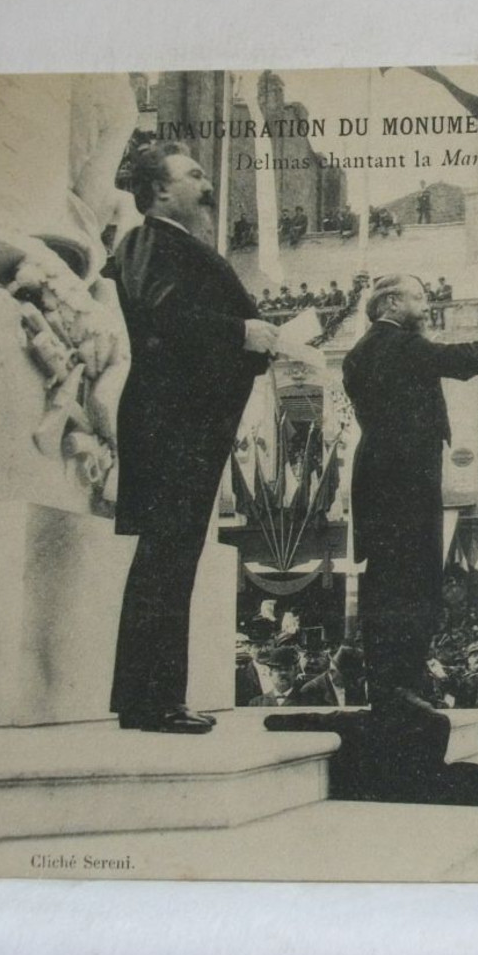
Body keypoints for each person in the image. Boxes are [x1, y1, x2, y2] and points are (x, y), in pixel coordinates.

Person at [103, 142, 276, 734]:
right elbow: (166, 319)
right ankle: (150, 702)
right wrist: (244, 333)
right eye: (195, 175)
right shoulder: (151, 241)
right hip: (167, 423)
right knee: (165, 559)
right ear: (159, 190)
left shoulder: (175, 245)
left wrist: (253, 341)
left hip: (181, 423)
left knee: (173, 558)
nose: (208, 185)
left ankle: (150, 699)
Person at [342, 274, 478, 724]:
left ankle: (396, 684)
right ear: (389, 303)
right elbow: (459, 361)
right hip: (400, 480)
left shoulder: (370, 350)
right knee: (407, 584)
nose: (427, 306)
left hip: (389, 477)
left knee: (395, 584)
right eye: (418, 297)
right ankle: (398, 686)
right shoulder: (395, 344)